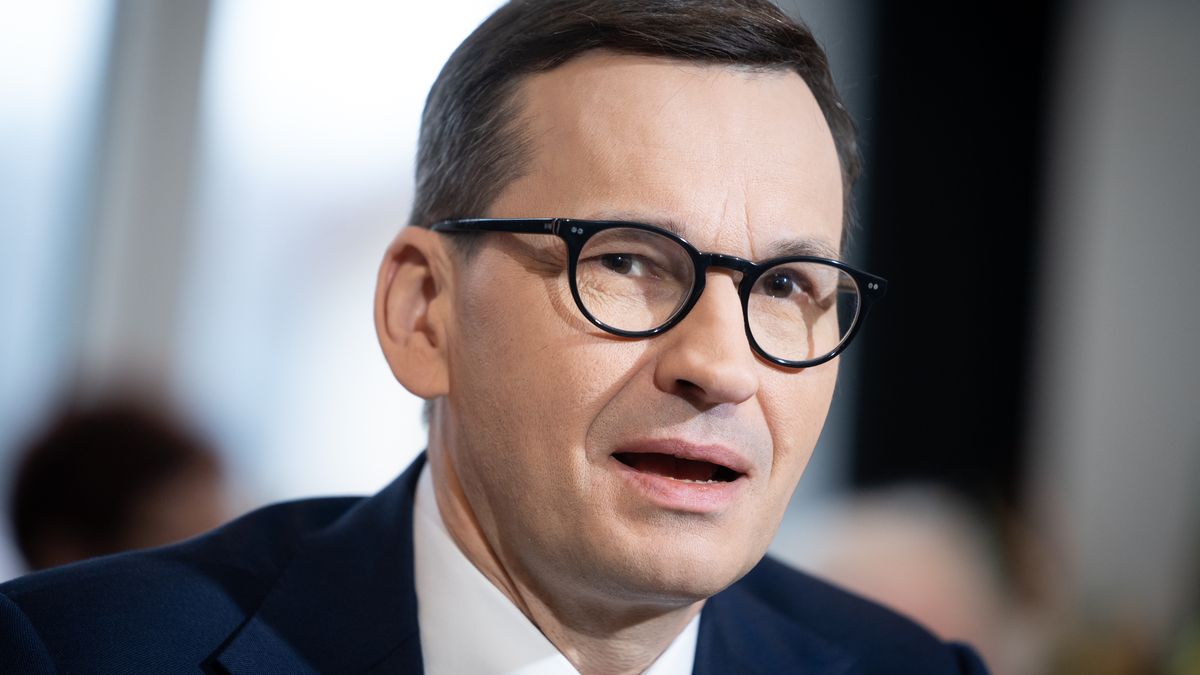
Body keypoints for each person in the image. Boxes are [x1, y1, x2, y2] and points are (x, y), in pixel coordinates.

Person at [0, 1, 989, 673]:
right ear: (422, 312)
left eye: (783, 283)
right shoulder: (74, 653)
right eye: (629, 261)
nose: (721, 366)